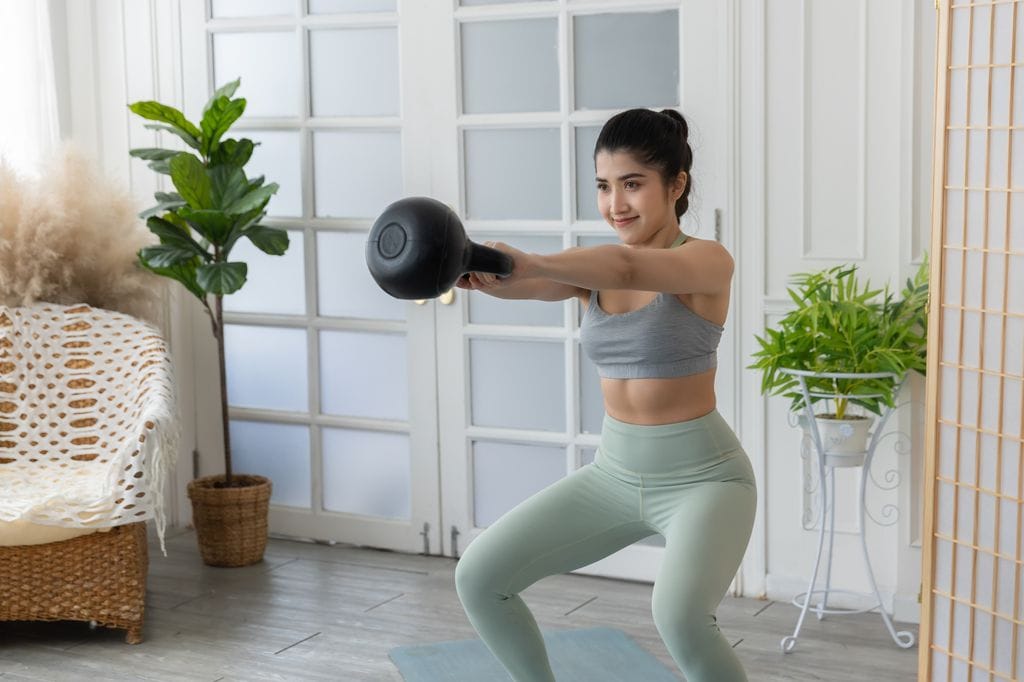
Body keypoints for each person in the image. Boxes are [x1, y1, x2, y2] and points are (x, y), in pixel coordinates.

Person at [452, 107, 756, 682]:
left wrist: (532, 258)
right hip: (615, 476)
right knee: (480, 577)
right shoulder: (589, 274)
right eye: (603, 186)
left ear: (678, 185)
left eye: (633, 184)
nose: (616, 203)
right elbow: (532, 284)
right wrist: (479, 268)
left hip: (705, 481)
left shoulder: (706, 260)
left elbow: (622, 266)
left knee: (681, 618)